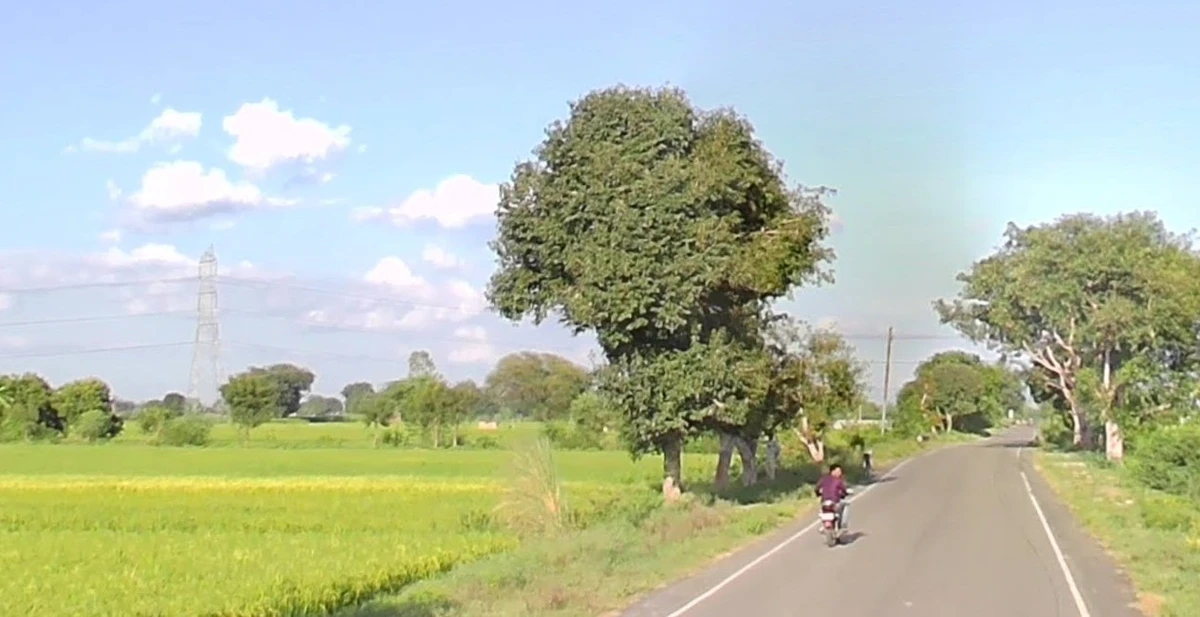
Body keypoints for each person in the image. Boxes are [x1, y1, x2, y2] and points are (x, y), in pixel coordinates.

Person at [814, 463, 850, 529]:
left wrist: (819, 494)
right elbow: (844, 490)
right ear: (832, 471)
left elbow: (816, 489)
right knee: (846, 504)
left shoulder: (823, 479)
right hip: (835, 502)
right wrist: (844, 494)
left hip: (824, 502)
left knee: (822, 510)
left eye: (840, 471)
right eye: (838, 471)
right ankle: (843, 525)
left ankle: (826, 524)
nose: (839, 473)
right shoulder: (838, 480)